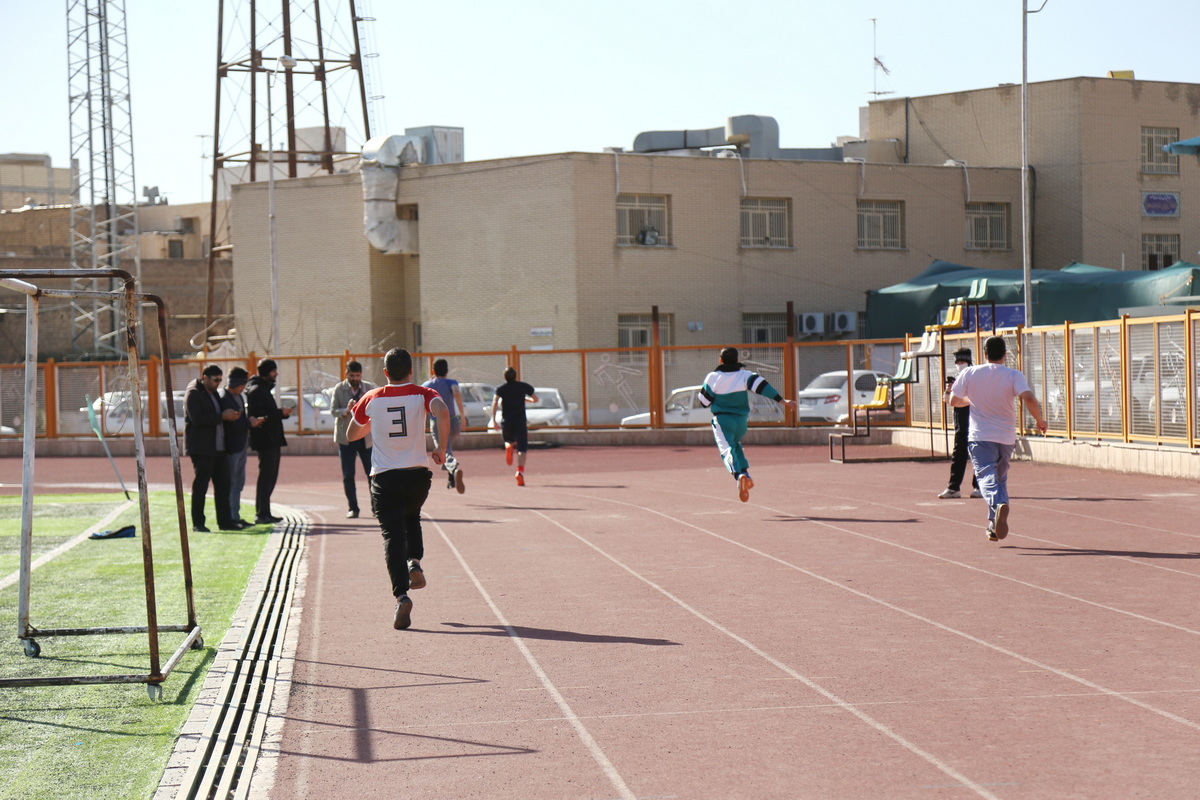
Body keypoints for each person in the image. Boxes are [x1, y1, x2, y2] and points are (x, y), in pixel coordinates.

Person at [347, 347, 449, 631]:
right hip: (417, 474)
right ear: (411, 371)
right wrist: (440, 447)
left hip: (385, 476)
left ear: (385, 373)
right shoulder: (422, 393)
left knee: (392, 534)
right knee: (412, 515)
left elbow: (351, 434)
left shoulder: (371, 398)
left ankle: (401, 595)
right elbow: (442, 411)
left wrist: (372, 426)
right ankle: (414, 561)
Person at [949, 335, 1048, 541]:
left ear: (984, 354)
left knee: (986, 477)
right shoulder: (1013, 375)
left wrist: (971, 399)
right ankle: (993, 525)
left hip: (980, 436)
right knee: (1000, 479)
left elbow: (954, 400)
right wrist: (1040, 420)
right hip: (1006, 437)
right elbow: (1028, 397)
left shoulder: (970, 373)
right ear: (1005, 354)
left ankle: (997, 504)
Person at [698, 347, 796, 503]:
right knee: (735, 444)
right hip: (741, 422)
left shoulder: (713, 377)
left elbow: (703, 402)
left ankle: (738, 474)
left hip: (723, 421)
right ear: (737, 360)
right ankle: (746, 474)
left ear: (720, 361)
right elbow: (764, 387)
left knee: (726, 450)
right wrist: (783, 401)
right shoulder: (745, 375)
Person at [184, 364, 241, 532]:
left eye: (220, 380)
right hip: (203, 448)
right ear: (205, 377)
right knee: (201, 486)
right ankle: (198, 523)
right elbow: (197, 419)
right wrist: (221, 416)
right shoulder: (194, 393)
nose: (218, 383)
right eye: (215, 379)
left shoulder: (213, 393)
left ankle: (225, 522)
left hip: (219, 448)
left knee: (223, 485)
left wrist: (230, 415)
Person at [245, 358, 293, 525]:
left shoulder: (261, 389)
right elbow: (261, 416)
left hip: (270, 438)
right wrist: (280, 413)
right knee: (267, 476)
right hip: (266, 440)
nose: (276, 374)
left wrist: (281, 414)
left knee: (270, 476)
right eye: (273, 371)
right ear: (266, 372)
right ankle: (261, 513)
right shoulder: (257, 390)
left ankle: (265, 511)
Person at [331, 361, 377, 517]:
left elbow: (376, 407)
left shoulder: (368, 388)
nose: (355, 378)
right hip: (346, 438)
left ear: (361, 375)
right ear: (347, 374)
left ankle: (376, 508)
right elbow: (333, 411)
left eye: (357, 376)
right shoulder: (339, 389)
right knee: (348, 475)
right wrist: (346, 410)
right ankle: (353, 508)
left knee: (372, 473)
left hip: (365, 437)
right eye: (352, 375)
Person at [220, 366, 262, 528]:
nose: (243, 388)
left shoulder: (238, 397)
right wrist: (248, 422)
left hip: (241, 445)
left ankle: (235, 515)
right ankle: (230, 516)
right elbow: (229, 423)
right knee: (231, 482)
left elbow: (239, 420)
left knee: (238, 482)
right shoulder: (225, 397)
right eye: (242, 384)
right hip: (231, 446)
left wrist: (247, 422)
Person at [938, 347, 982, 500]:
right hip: (960, 423)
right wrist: (948, 391)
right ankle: (953, 488)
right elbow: (948, 401)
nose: (959, 363)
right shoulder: (957, 377)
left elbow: (973, 398)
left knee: (977, 454)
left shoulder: (974, 376)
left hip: (975, 421)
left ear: (969, 361)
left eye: (962, 360)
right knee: (958, 454)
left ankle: (979, 486)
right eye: (957, 361)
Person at [423, 358, 467, 493]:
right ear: (447, 371)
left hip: (437, 422)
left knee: (444, 450)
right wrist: (462, 416)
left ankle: (454, 468)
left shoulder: (427, 384)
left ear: (433, 371)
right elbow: (457, 393)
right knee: (447, 448)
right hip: (453, 421)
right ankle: (451, 478)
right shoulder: (452, 383)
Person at [491, 367, 537, 486]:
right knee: (522, 449)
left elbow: (495, 402)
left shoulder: (501, 389)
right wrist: (529, 400)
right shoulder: (523, 386)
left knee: (508, 440)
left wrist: (493, 419)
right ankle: (519, 471)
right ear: (516, 376)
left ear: (504, 377)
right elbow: (536, 399)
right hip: (520, 422)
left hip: (507, 422)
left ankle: (508, 445)